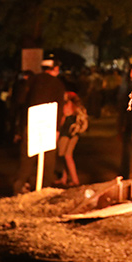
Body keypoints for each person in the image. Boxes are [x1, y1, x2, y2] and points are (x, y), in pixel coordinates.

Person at [12, 56, 66, 194]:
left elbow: (20, 102)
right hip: (49, 124)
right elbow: (59, 107)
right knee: (48, 159)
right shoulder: (57, 84)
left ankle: (19, 186)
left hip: (30, 123)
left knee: (27, 158)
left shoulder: (31, 80)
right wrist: (57, 129)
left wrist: (20, 127)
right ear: (55, 69)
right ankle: (45, 188)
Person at [56, 92, 88, 187]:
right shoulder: (78, 108)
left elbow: (63, 117)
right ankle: (65, 178)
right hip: (74, 133)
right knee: (66, 156)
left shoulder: (67, 105)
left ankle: (75, 180)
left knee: (65, 155)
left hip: (66, 133)